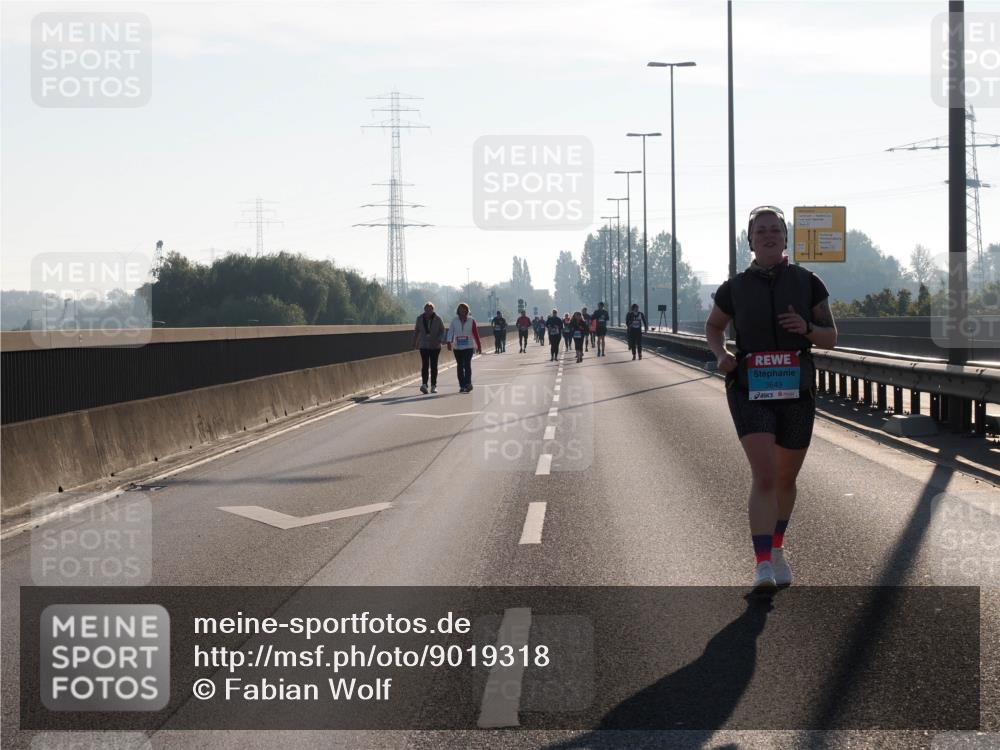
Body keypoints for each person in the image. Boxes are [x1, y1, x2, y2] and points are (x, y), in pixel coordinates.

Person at [705, 205, 837, 593]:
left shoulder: (808, 282)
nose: (767, 235)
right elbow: (714, 327)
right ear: (749, 240)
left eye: (774, 229)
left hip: (797, 389)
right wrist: (721, 355)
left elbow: (831, 337)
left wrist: (807, 328)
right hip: (750, 389)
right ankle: (762, 564)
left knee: (785, 478)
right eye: (760, 230)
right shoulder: (734, 287)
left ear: (785, 236)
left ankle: (777, 548)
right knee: (764, 475)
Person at [446, 302, 483, 393]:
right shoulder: (454, 320)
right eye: (460, 309)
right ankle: (462, 385)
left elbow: (475, 334)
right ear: (458, 311)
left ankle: (468, 384)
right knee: (460, 366)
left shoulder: (471, 320)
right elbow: (450, 331)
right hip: (457, 347)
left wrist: (479, 345)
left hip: (468, 346)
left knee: (467, 365)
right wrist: (449, 342)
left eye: (464, 309)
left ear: (467, 310)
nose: (462, 311)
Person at [413, 302, 446, 394]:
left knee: (434, 365)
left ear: (433, 310)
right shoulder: (420, 319)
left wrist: (440, 340)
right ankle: (424, 384)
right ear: (424, 310)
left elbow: (442, 330)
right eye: (426, 309)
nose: (428, 311)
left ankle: (433, 385)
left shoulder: (437, 319)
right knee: (425, 365)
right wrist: (415, 342)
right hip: (424, 345)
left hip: (435, 345)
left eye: (430, 309)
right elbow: (416, 331)